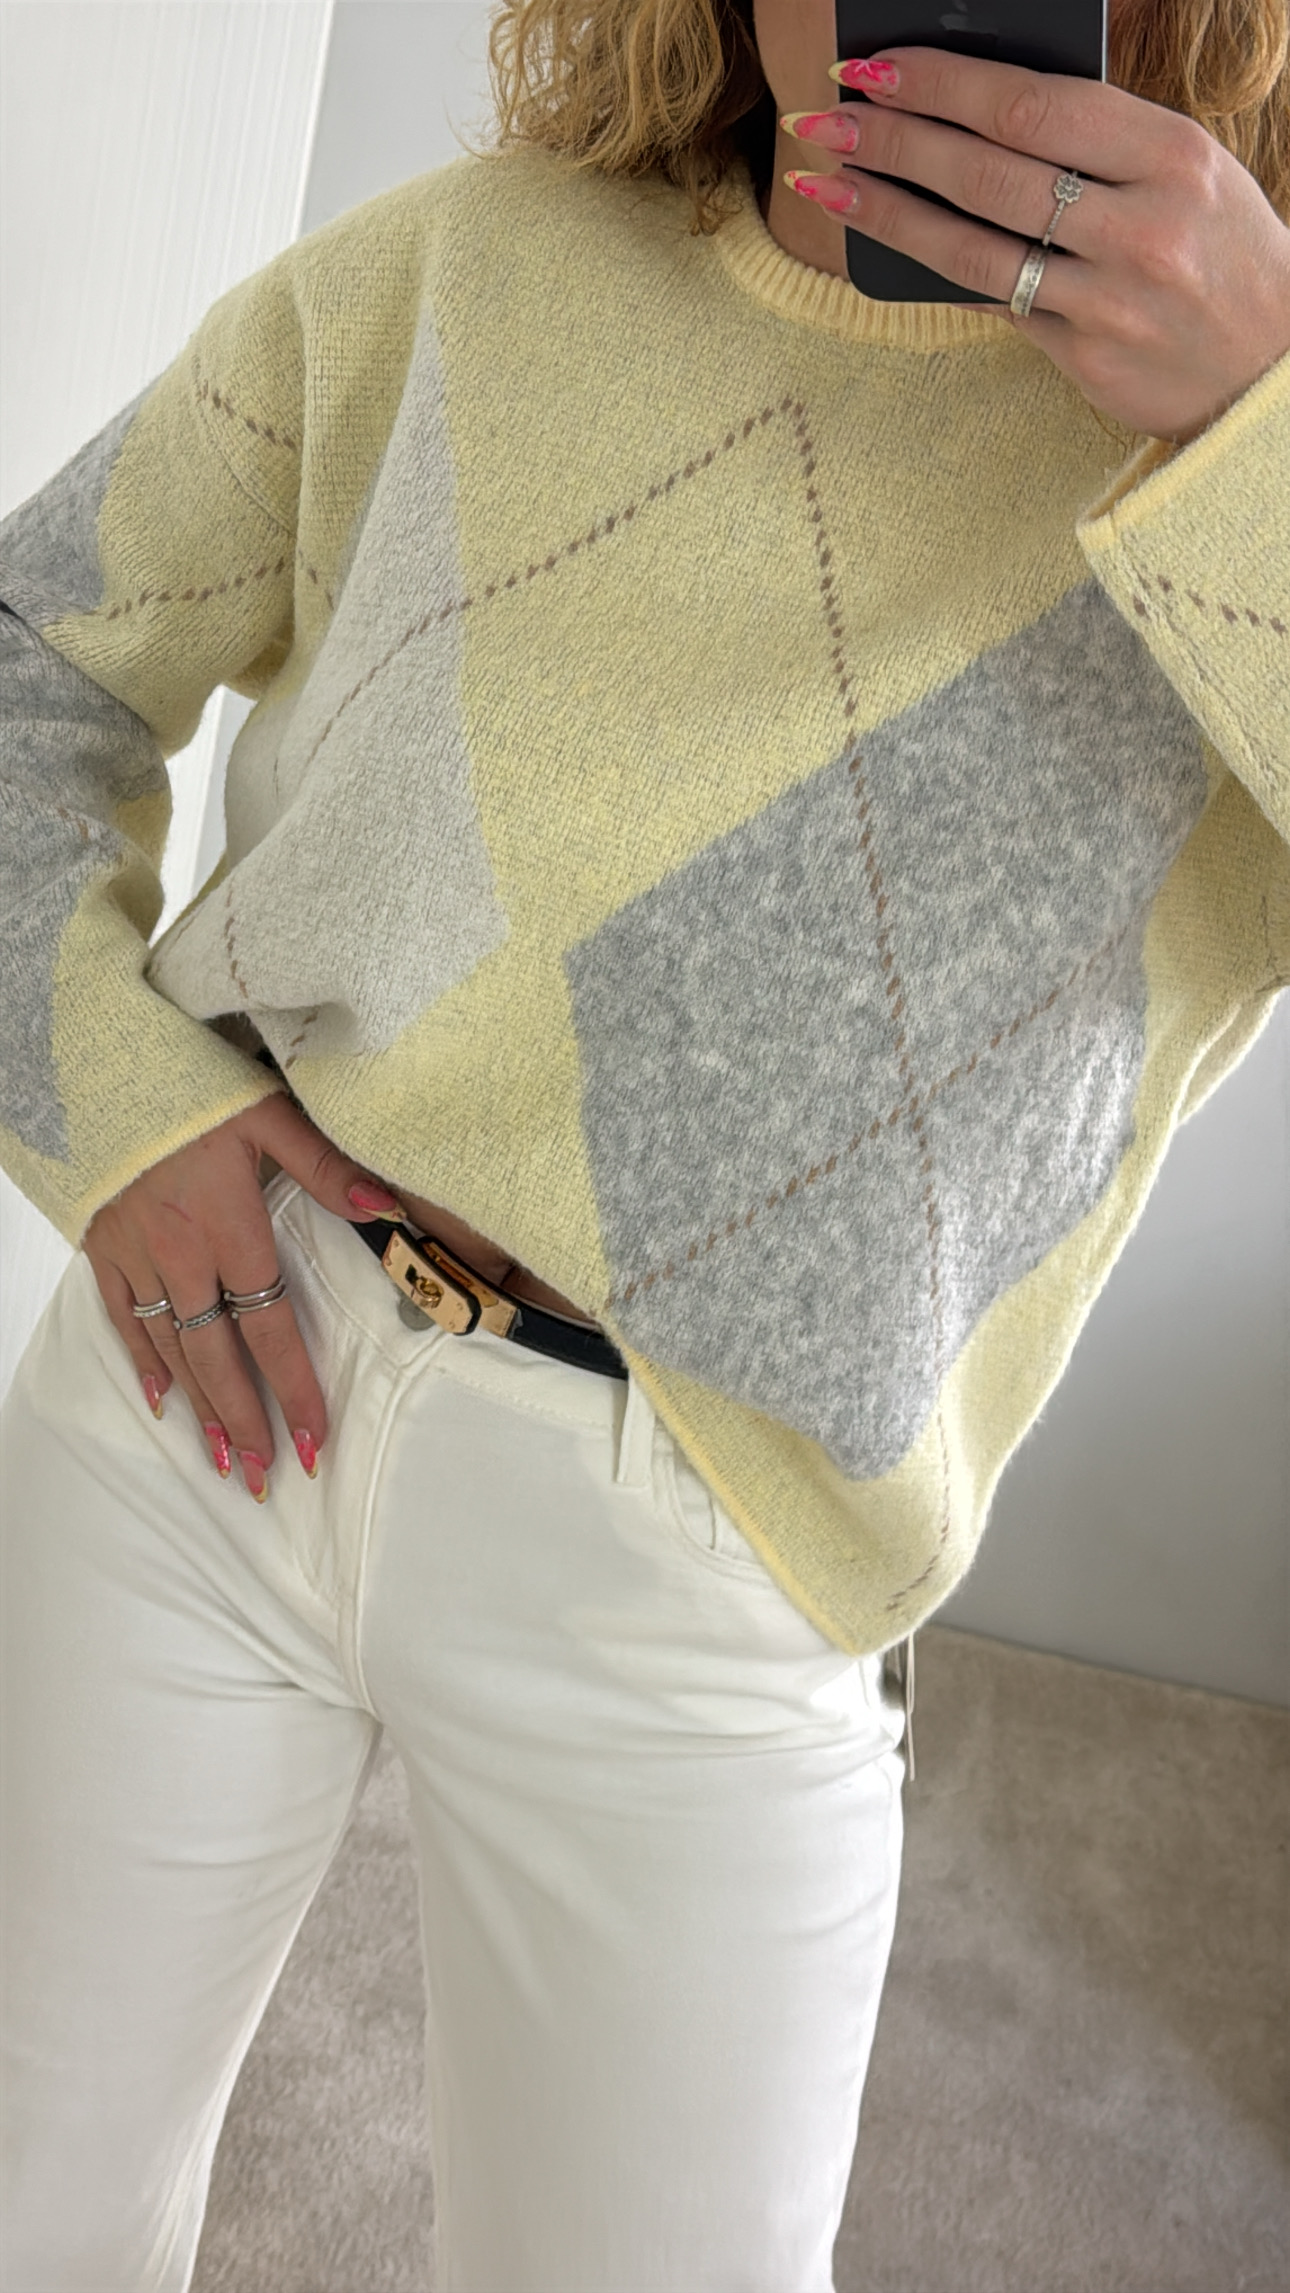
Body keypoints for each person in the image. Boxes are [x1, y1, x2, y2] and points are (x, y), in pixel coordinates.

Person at [2, 0, 1287, 2284]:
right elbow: (27, 656)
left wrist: (1265, 432)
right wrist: (113, 1104)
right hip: (200, 1382)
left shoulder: (1243, 455)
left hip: (718, 1555)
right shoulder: (462, 269)